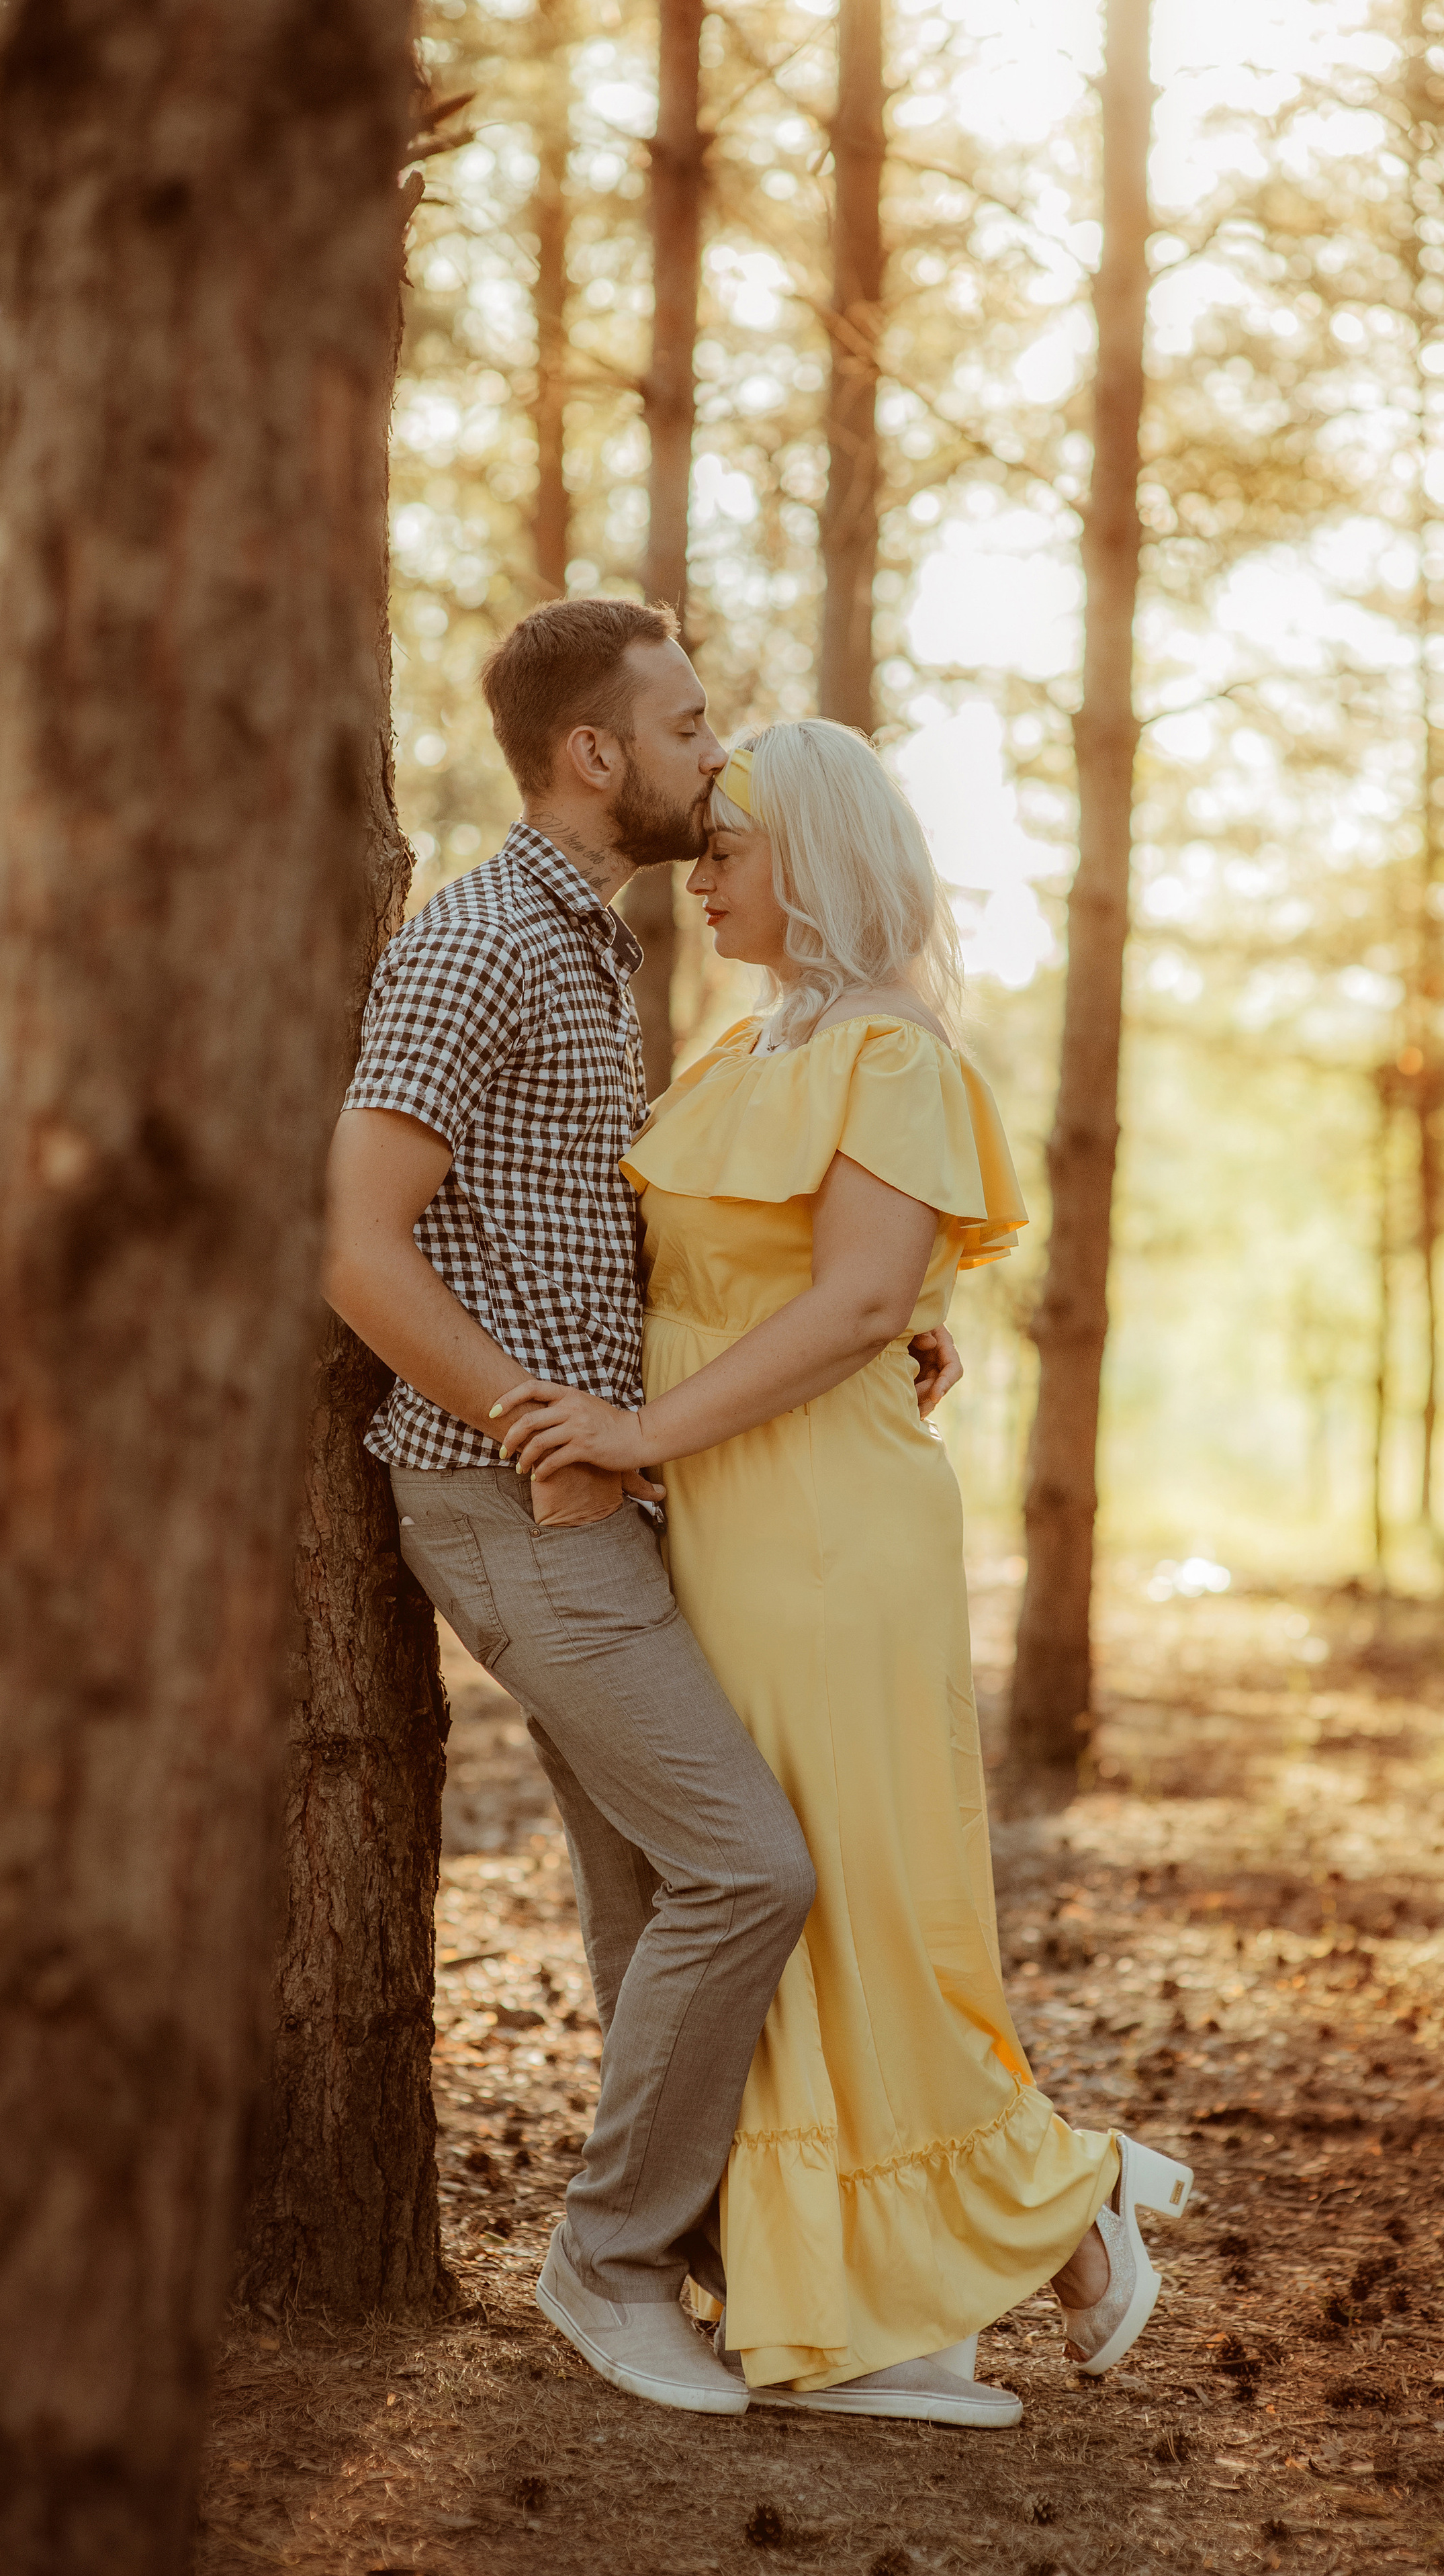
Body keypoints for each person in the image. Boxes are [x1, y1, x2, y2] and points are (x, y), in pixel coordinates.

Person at [489, 718, 1193, 2432]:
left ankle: (1037, 2208)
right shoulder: (748, 1050)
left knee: (861, 1894)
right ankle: (872, 2300)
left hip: (819, 1533)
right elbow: (817, 1279)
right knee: (771, 1911)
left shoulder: (889, 1052)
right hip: (727, 1525)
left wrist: (639, 1435)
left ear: (806, 863)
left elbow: (861, 1300)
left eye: (725, 851)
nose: (701, 876)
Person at [322, 603, 960, 2419]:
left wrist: (859, 1341)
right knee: (749, 1866)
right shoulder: (472, 947)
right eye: (687, 726)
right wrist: (539, 1430)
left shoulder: (593, 954)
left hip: (606, 1496)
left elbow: (622, 1249)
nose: (713, 755)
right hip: (511, 1504)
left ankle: (709, 2259)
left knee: (650, 1892)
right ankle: (606, 2261)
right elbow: (356, 1246)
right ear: (596, 755)